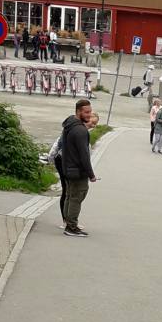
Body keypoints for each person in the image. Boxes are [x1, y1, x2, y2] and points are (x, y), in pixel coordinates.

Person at [49, 112, 100, 229]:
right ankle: (67, 221)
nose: (94, 126)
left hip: (68, 162)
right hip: (63, 160)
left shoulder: (83, 131)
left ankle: (68, 220)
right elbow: (59, 143)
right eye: (93, 123)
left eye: (96, 124)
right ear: (86, 119)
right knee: (68, 190)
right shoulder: (76, 130)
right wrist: (50, 158)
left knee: (70, 191)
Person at [61, 99, 97, 237]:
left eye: (90, 112)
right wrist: (91, 174)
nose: (89, 115)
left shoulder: (69, 123)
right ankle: (71, 227)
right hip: (77, 171)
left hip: (68, 168)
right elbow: (84, 155)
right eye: (86, 112)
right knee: (77, 197)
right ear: (78, 111)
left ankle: (68, 222)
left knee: (70, 196)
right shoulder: (80, 131)